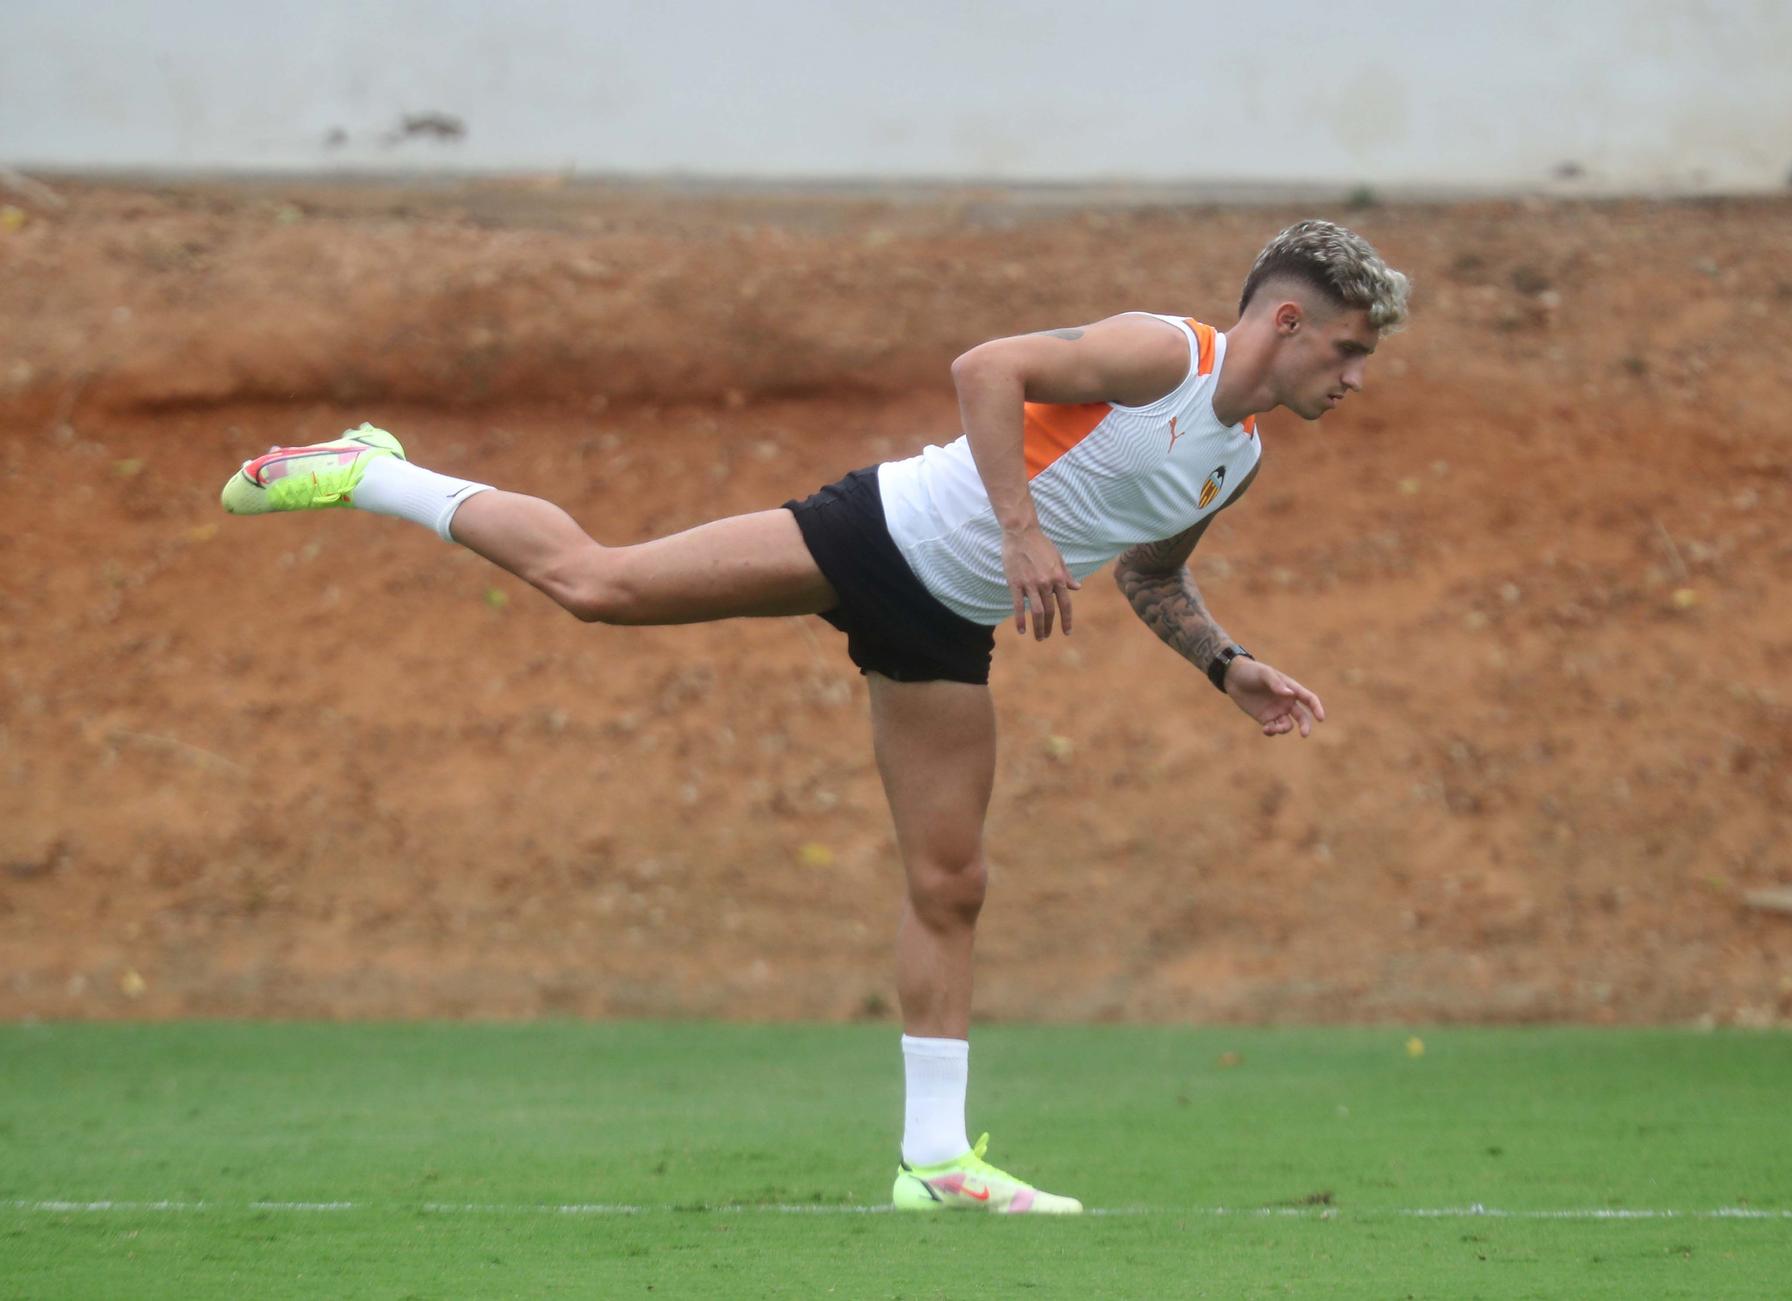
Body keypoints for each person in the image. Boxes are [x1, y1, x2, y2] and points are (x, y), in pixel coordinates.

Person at [218, 219, 1409, 1214]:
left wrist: (1229, 665)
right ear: (1287, 322)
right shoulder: (1164, 355)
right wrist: (1018, 525)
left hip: (945, 626)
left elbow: (1151, 574)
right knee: (600, 585)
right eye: (1349, 348)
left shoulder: (1237, 454)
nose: (1354, 378)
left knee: (952, 881)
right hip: (877, 533)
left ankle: (934, 1162)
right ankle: (371, 467)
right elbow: (983, 366)